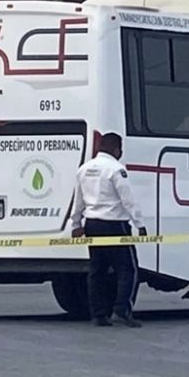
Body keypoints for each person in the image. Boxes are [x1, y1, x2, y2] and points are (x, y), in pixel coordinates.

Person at [71, 133, 147, 328]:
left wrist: (76, 224)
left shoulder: (84, 169)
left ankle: (98, 315)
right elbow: (127, 199)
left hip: (92, 224)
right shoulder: (116, 169)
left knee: (97, 270)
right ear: (116, 149)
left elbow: (78, 199)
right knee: (128, 269)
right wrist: (140, 224)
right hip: (115, 225)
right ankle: (122, 309)